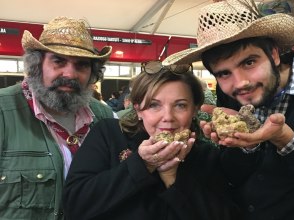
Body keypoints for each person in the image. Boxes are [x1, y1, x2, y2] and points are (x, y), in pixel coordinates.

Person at [163, 0, 294, 219]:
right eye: (224, 73)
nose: (240, 84)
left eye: (249, 63)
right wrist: (247, 145)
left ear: (274, 54)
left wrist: (285, 139)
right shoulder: (230, 95)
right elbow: (234, 176)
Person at [63, 60, 241, 220]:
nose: (167, 117)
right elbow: (75, 205)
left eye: (180, 105)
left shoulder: (205, 154)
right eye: (154, 105)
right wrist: (143, 164)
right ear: (138, 109)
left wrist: (171, 176)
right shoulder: (109, 134)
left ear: (194, 109)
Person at [0, 16, 115, 220]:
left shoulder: (104, 117)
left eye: (81, 65)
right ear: (37, 64)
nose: (69, 74)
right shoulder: (3, 111)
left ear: (92, 74)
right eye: (58, 61)